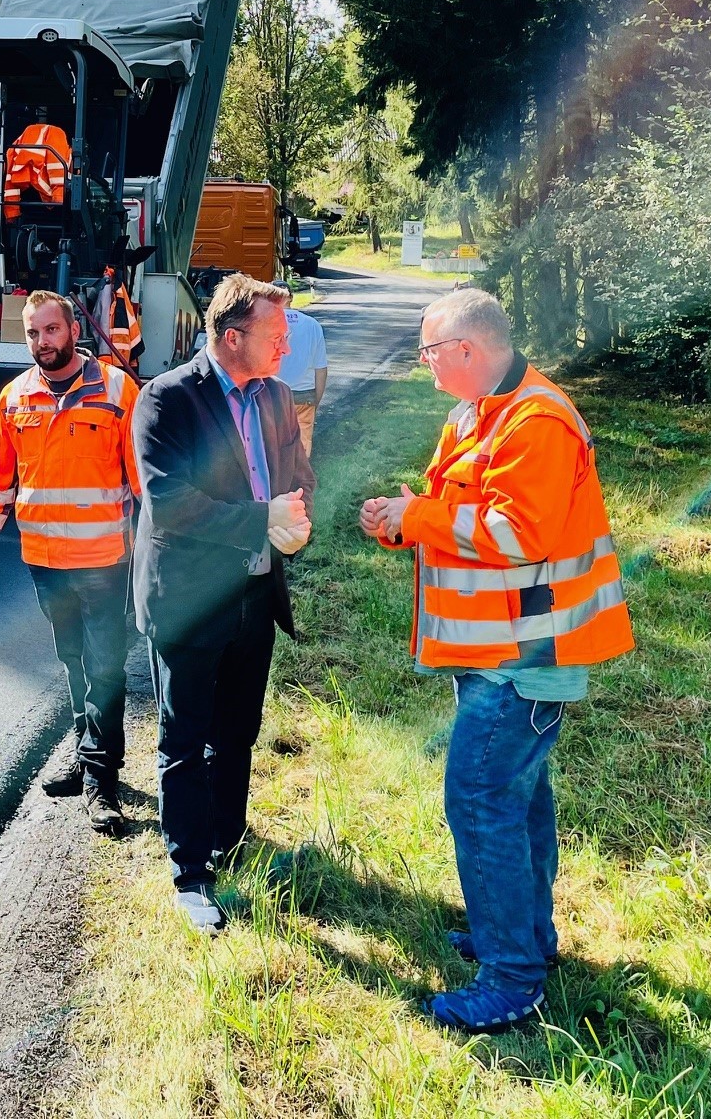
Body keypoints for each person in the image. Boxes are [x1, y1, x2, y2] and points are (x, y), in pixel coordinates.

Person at [360, 287, 633, 1033]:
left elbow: (518, 534)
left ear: (467, 350)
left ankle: (512, 978)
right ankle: (525, 938)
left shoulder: (536, 421)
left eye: (428, 352)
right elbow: (453, 510)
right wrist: (400, 520)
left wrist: (418, 515)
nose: (425, 364)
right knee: (518, 801)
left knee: (481, 801)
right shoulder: (475, 413)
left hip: (523, 659)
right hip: (491, 652)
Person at [130, 273, 316, 934]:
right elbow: (170, 503)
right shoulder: (166, 399)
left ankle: (227, 843)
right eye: (277, 335)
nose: (287, 346)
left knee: (237, 732)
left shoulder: (276, 395)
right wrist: (263, 520)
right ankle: (191, 875)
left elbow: (298, 475)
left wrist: (300, 517)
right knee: (185, 738)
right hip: (189, 598)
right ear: (233, 338)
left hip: (254, 593)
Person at [0, 291, 141, 835]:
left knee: (105, 666)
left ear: (72, 331)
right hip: (43, 560)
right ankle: (85, 753)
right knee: (72, 661)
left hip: (104, 560)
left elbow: (143, 480)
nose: (42, 342)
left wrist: (163, 547)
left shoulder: (117, 390)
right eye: (33, 333)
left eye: (51, 330)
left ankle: (101, 781)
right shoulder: (15, 398)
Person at [271, 283, 328, 454]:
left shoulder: (265, 325)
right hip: (304, 396)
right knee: (301, 451)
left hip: (272, 395)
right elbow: (321, 369)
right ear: (291, 298)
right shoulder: (312, 325)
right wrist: (315, 401)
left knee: (273, 447)